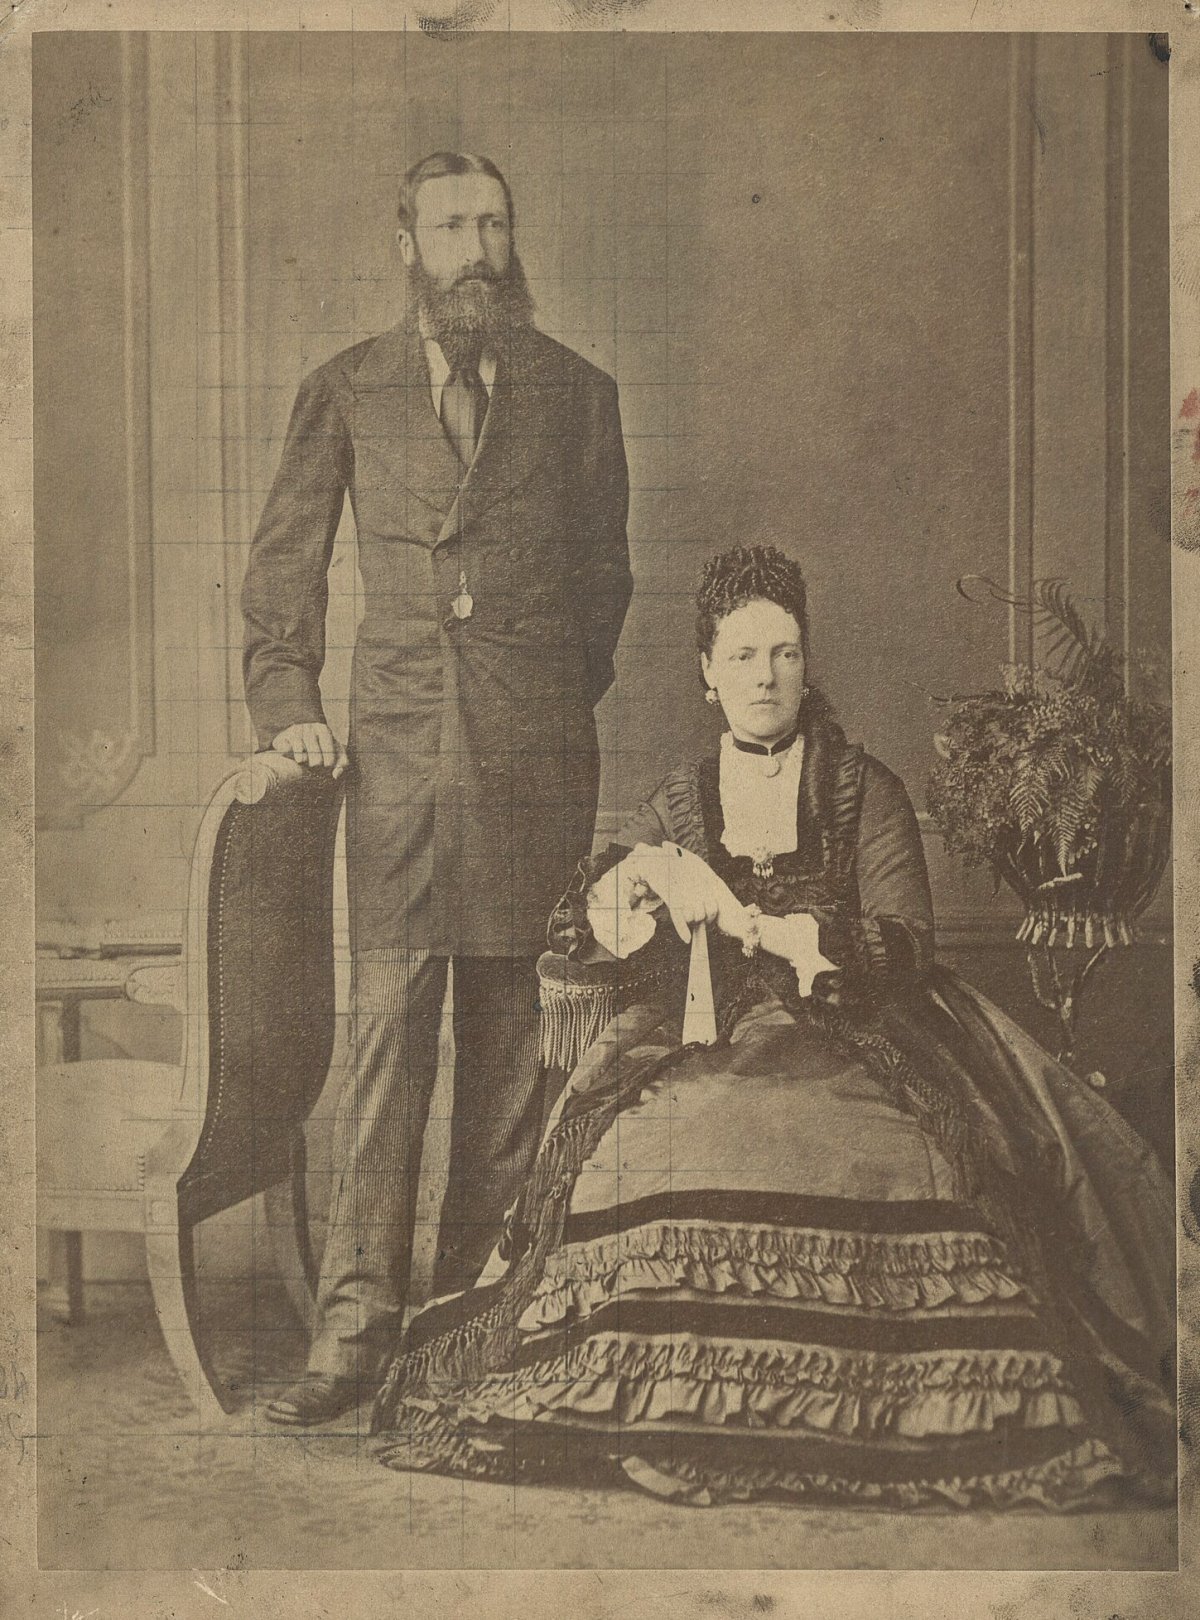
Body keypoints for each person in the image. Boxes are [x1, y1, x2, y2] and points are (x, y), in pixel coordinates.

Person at [370, 544, 1175, 1509]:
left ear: (806, 663)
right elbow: (599, 940)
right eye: (744, 655)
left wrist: (787, 932)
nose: (766, 676)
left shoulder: (859, 785)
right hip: (697, 1032)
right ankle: (674, 1414)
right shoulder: (676, 796)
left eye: (785, 654)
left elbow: (906, 939)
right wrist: (631, 897)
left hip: (858, 1027)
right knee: (657, 1146)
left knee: (888, 1155)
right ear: (707, 672)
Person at [242, 151, 633, 1426]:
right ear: (405, 240)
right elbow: (282, 582)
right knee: (390, 1033)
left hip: (530, 763)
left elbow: (604, 590)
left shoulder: (578, 397)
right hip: (401, 761)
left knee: (513, 1036)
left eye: (496, 224)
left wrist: (531, 693)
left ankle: (475, 1313)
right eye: (453, 224)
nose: (479, 247)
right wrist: (292, 711)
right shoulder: (345, 390)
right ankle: (354, 1327)